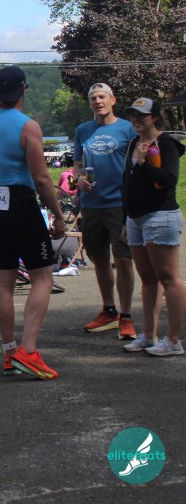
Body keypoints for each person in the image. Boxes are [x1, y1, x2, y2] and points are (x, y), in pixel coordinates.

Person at [0, 66, 65, 379]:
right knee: (42, 277)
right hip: (20, 200)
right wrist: (57, 214)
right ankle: (29, 350)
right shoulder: (27, 126)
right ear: (24, 89)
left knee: (5, 280)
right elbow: (40, 177)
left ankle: (10, 352)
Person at [121, 97, 185, 357]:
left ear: (155, 117)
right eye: (133, 115)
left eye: (142, 115)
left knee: (168, 278)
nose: (136, 119)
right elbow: (127, 182)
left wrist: (144, 162)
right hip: (135, 218)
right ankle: (149, 335)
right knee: (147, 279)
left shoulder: (166, 144)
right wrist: (125, 219)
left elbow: (169, 179)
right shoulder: (133, 143)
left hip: (160, 215)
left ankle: (174, 340)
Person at [73, 83, 137, 339]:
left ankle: (127, 316)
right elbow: (77, 164)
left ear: (113, 100)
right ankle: (109, 311)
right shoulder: (83, 130)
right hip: (91, 204)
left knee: (123, 259)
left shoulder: (128, 129)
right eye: (93, 98)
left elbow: (138, 165)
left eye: (102, 97)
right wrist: (78, 179)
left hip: (119, 203)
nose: (98, 101)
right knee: (98, 258)